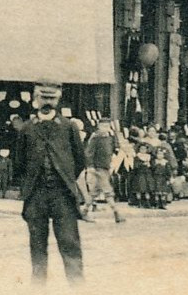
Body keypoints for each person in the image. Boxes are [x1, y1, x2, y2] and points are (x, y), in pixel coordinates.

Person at [20, 98, 86, 283]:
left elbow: (79, 160)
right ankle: (38, 287)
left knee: (69, 241)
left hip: (62, 194)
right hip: (36, 194)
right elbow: (20, 161)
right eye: (42, 98)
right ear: (35, 101)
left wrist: (64, 177)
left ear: (57, 100)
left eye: (51, 97)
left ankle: (78, 288)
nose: (46, 102)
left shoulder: (68, 127)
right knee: (37, 243)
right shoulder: (27, 128)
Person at [82, 117, 124, 224]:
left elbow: (115, 148)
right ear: (99, 126)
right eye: (103, 126)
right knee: (108, 190)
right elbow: (89, 153)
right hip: (98, 168)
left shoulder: (110, 137)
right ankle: (116, 213)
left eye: (108, 126)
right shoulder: (96, 138)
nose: (106, 128)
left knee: (94, 192)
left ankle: (84, 211)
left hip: (106, 167)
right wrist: (90, 166)